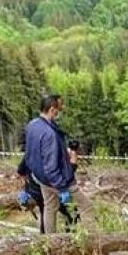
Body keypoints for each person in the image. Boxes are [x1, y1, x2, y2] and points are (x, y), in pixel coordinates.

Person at [23, 94, 91, 234]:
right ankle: (96, 239)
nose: (62, 110)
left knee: (50, 207)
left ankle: (51, 241)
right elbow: (51, 166)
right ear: (52, 109)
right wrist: (62, 188)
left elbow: (33, 152)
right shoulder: (50, 134)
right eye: (60, 108)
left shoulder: (33, 125)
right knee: (87, 207)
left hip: (41, 177)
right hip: (57, 180)